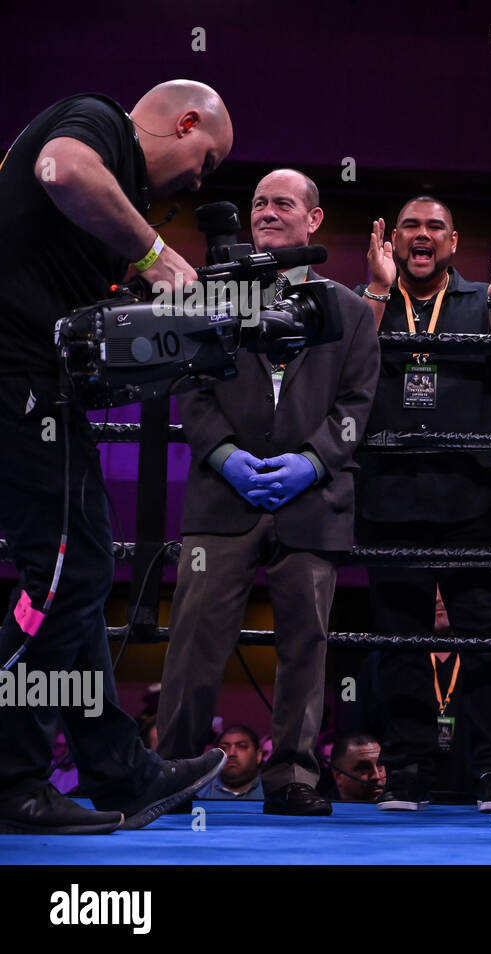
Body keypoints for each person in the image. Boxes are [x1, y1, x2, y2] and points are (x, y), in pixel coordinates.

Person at [0, 80, 233, 834]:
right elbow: (61, 170)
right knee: (64, 577)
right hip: (14, 379)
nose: (203, 180)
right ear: (184, 121)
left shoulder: (115, 201)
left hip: (41, 389)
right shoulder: (97, 122)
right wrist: (158, 256)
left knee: (81, 571)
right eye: (206, 160)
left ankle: (119, 772)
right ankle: (12, 779)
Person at [156, 168, 380, 817]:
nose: (265, 213)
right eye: (258, 203)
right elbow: (191, 390)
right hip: (222, 498)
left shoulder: (349, 311)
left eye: (282, 203)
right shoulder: (211, 295)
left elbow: (356, 405)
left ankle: (292, 779)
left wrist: (311, 463)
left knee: (306, 643)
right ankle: (173, 770)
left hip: (311, 499)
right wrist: (228, 459)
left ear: (314, 220)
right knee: (194, 635)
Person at [354, 195, 491, 814]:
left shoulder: (480, 297)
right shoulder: (369, 302)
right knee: (400, 639)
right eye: (410, 225)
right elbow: (346, 367)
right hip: (389, 495)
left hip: (471, 496)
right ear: (393, 240)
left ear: (454, 242)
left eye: (435, 226)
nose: (422, 235)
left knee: (486, 636)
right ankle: (405, 771)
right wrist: (378, 291)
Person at [197, 725, 265, 800]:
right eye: (224, 748)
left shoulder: (273, 792)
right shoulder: (197, 793)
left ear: (258, 756)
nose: (231, 753)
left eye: (242, 746)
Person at [330, 732, 387, 803]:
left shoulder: (398, 808)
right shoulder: (321, 812)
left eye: (380, 764)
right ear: (338, 776)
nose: (376, 776)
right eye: (364, 768)